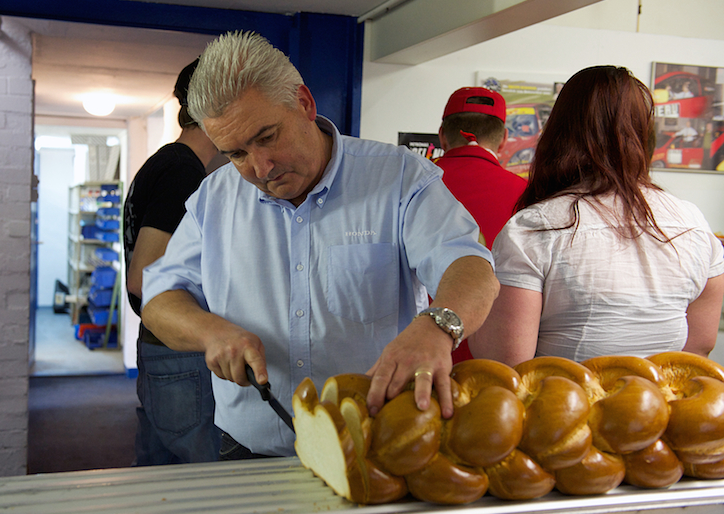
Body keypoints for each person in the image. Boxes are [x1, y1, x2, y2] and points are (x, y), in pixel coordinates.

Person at [141, 31, 498, 459]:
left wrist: (437, 327)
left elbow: (470, 267)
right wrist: (210, 331)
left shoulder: (400, 179)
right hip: (249, 450)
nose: (260, 167)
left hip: (374, 446)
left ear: (305, 104)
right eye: (235, 153)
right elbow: (159, 298)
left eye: (267, 136)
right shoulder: (213, 199)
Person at [469, 65, 724, 366]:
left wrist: (474, 278)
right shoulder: (692, 221)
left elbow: (506, 361)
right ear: (643, 134)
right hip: (659, 407)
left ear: (558, 131)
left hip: (562, 409)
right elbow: (699, 347)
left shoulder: (533, 229)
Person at [123, 57, 221, 465]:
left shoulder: (166, 162)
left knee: (161, 473)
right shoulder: (182, 171)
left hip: (162, 349)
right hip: (178, 351)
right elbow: (144, 279)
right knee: (199, 486)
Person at [433, 87, 526, 363]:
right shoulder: (530, 195)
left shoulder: (409, 188)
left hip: (417, 357)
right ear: (504, 139)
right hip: (497, 366)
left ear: (442, 135)